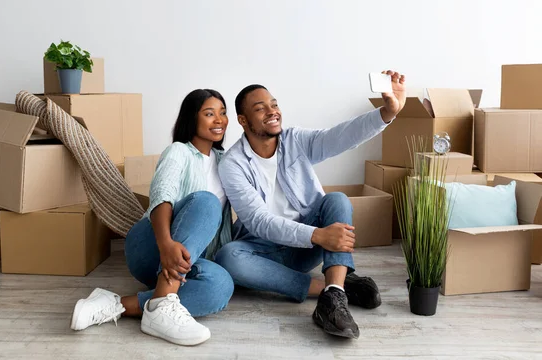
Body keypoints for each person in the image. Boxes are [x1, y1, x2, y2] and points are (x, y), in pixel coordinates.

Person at [214, 71, 406, 339]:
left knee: (336, 200)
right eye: (261, 108)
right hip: (267, 251)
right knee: (229, 257)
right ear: (243, 120)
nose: (272, 112)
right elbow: (259, 222)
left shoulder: (295, 140)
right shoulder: (232, 164)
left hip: (309, 248)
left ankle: (333, 300)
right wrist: (318, 235)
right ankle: (333, 286)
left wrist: (386, 113)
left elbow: (340, 137)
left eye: (274, 104)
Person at [69, 89, 235, 346]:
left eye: (223, 113)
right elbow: (162, 196)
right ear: (192, 118)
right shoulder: (178, 151)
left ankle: (122, 304)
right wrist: (166, 244)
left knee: (221, 285)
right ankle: (161, 303)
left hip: (186, 261)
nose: (219, 120)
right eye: (209, 113)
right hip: (151, 244)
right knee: (206, 202)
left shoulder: (227, 162)